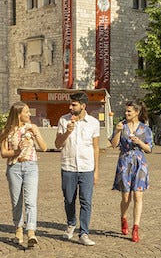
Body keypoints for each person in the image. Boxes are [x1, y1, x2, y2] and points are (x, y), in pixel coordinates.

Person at [55, 91, 100, 246]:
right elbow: (57, 144)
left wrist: (96, 171)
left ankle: (84, 233)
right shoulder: (63, 120)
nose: (70, 107)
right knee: (69, 199)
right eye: (70, 104)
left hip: (87, 167)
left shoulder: (93, 123)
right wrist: (68, 131)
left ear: (83, 106)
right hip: (68, 167)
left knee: (86, 201)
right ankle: (71, 223)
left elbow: (95, 148)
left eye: (74, 104)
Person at [1, 102, 48, 248]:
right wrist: (16, 152)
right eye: (26, 112)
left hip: (31, 167)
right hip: (14, 167)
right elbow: (3, 153)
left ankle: (31, 232)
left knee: (30, 201)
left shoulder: (32, 128)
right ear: (18, 114)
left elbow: (44, 147)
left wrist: (36, 133)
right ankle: (19, 229)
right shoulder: (7, 130)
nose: (29, 114)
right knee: (17, 201)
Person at [110, 100, 153, 243]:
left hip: (140, 163)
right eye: (126, 111)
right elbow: (114, 144)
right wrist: (117, 131)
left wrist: (140, 143)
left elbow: (149, 149)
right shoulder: (121, 126)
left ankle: (136, 228)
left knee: (138, 196)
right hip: (124, 162)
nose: (126, 113)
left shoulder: (145, 129)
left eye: (129, 111)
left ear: (137, 112)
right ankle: (123, 218)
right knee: (126, 197)